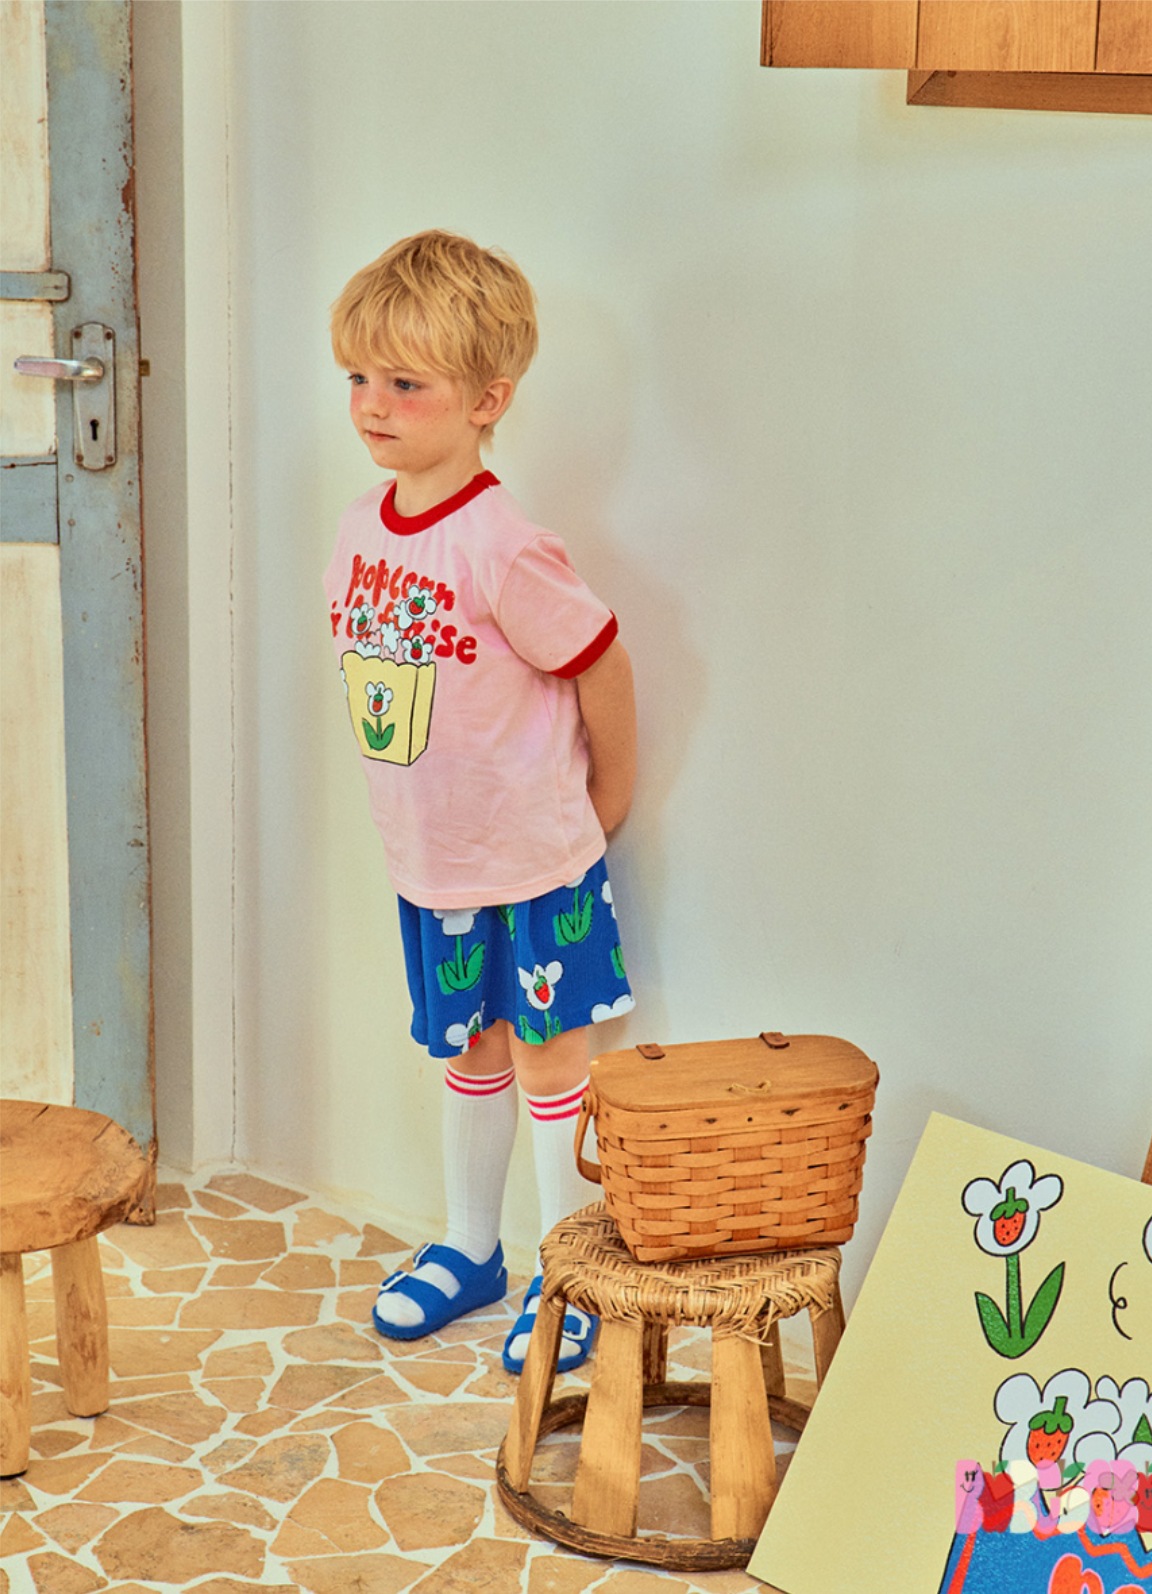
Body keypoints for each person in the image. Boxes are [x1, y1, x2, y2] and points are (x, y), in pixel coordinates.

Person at [324, 230, 636, 1374]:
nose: (374, 403)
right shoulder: (362, 529)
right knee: (470, 1050)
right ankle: (471, 1246)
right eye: (360, 376)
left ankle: (570, 1269)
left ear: (487, 399)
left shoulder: (502, 545)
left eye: (407, 384)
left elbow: (601, 662)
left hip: (535, 865)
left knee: (553, 1060)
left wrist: (608, 799)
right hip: (435, 866)